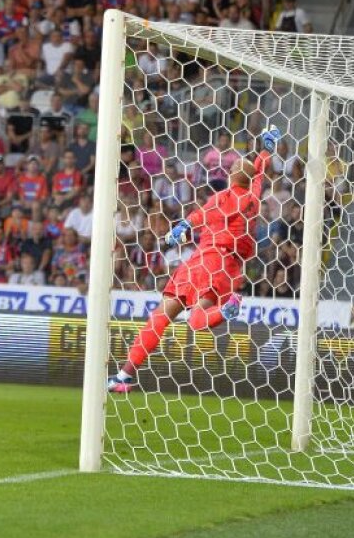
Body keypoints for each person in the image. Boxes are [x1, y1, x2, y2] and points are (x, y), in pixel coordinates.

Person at [108, 127, 281, 393]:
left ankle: (125, 375)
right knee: (194, 319)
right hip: (225, 267)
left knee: (161, 317)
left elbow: (202, 213)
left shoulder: (223, 196)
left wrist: (183, 226)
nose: (233, 163)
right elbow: (257, 173)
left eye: (235, 163)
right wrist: (266, 152)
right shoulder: (253, 196)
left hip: (206, 261)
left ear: (234, 174)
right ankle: (125, 375)